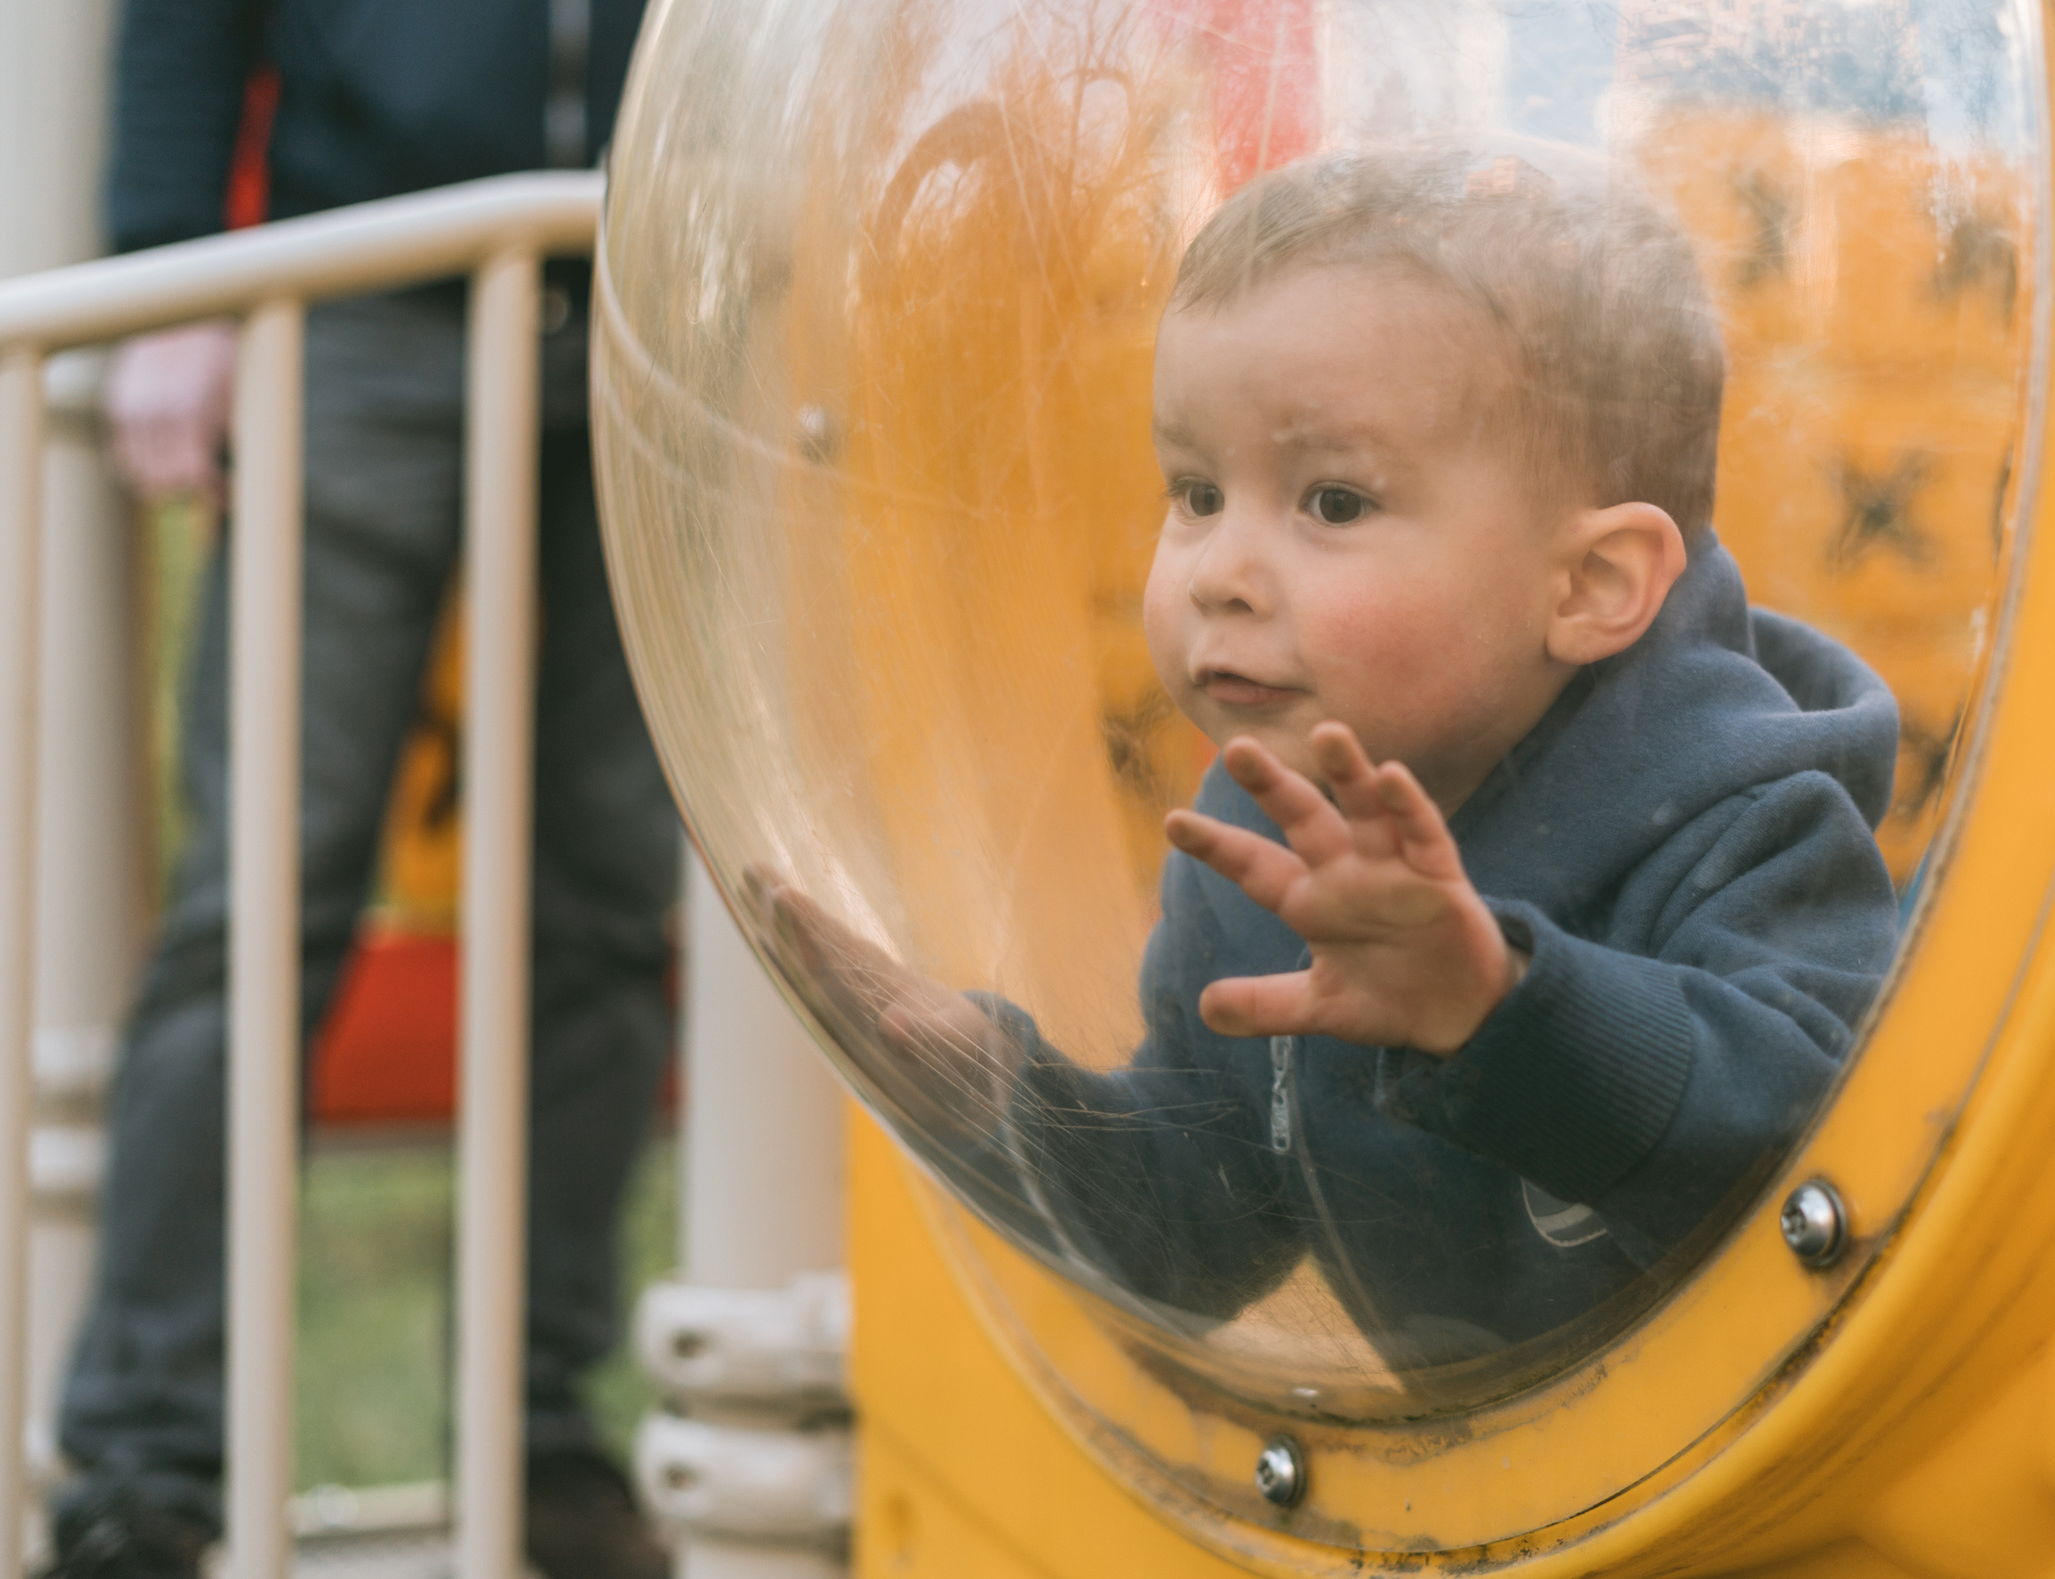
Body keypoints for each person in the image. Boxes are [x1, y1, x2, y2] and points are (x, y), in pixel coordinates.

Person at [759, 147, 1900, 1367]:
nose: (1218, 575)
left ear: (1589, 586)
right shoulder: (1261, 843)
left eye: (1334, 504)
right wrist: (999, 1101)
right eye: (1194, 492)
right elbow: (1196, 1229)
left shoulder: (1749, 824)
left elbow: (1812, 1180)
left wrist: (1493, 1011)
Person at [47, 0, 692, 1576]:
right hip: (366, 291)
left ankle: (543, 1435)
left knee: (613, 907)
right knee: (259, 894)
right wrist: (169, 276)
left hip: (663, 299)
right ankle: (142, 1463)